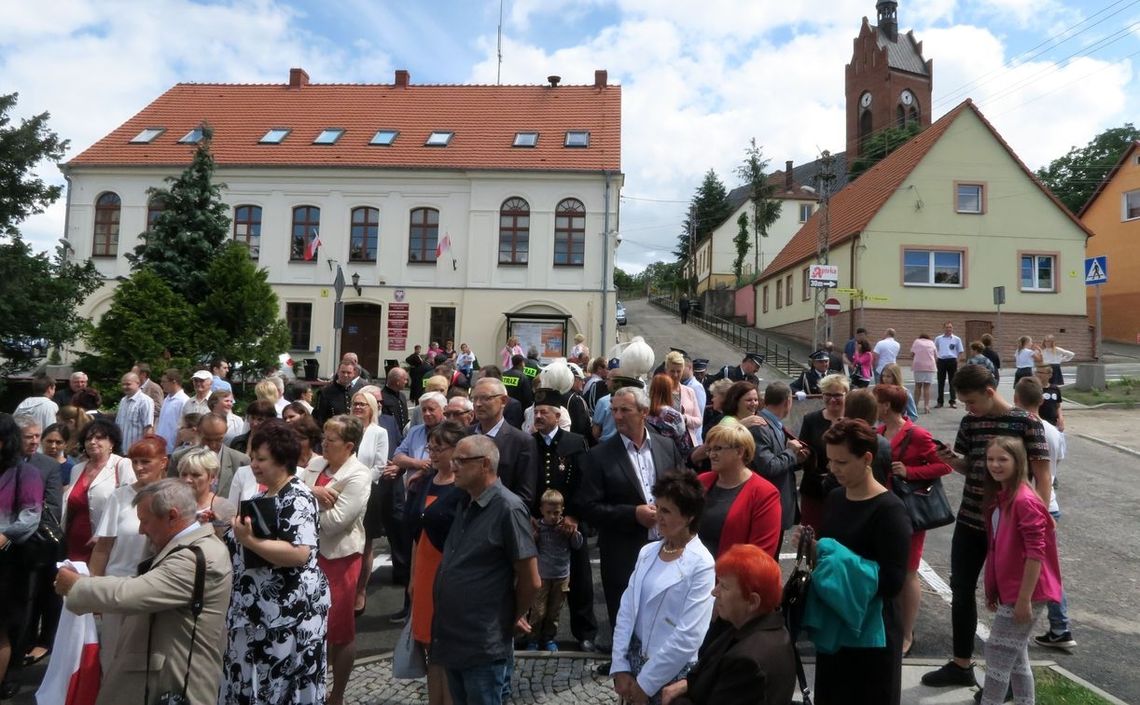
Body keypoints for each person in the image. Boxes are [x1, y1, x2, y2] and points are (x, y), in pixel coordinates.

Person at [921, 365, 1050, 690]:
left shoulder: (1027, 423)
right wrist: (951, 460)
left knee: (1010, 601)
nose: (967, 408)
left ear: (990, 391)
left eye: (971, 401)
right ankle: (961, 664)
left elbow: (1042, 474)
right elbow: (973, 465)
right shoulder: (970, 422)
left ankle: (1004, 680)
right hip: (971, 520)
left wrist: (1042, 521)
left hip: (1009, 528)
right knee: (961, 590)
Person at [54, 479, 232, 705]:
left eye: (145, 521)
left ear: (172, 516)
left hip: (175, 683)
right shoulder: (188, 548)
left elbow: (133, 593)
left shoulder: (196, 557)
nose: (140, 530)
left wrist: (77, 586)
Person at [220, 419, 331, 705]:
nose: (254, 465)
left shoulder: (298, 497)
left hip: (287, 613)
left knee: (281, 687)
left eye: (261, 459)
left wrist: (250, 541)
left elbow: (299, 552)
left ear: (282, 460)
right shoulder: (262, 496)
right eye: (253, 458)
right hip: (257, 612)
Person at [807, 418, 911, 705]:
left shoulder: (890, 510)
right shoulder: (836, 497)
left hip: (871, 634)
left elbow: (892, 582)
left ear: (866, 458)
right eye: (830, 460)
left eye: (841, 462)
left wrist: (836, 561)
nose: (832, 469)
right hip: (836, 626)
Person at [432, 435, 540, 705]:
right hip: (454, 635)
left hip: (483, 640)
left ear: (485, 465)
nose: (453, 465)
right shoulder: (467, 500)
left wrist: (511, 615)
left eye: (461, 460)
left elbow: (531, 579)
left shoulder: (508, 508)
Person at [579, 385, 687, 644]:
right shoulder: (599, 456)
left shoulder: (666, 446)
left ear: (644, 412)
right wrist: (632, 514)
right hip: (623, 551)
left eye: (624, 410)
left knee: (666, 611)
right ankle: (625, 668)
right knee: (625, 615)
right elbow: (588, 507)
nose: (616, 416)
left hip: (666, 547)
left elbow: (684, 491)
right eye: (613, 410)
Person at [610, 472, 715, 705]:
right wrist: (620, 666)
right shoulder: (647, 552)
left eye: (666, 511)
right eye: (657, 508)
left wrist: (645, 684)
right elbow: (627, 610)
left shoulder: (702, 564)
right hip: (633, 666)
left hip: (671, 674)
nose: (658, 517)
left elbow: (689, 635)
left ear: (689, 517)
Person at [979, 437, 1063, 705]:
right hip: (1014, 590)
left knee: (997, 657)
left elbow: (1035, 554)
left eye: (1003, 459)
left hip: (1026, 591)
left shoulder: (1024, 501)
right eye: (991, 459)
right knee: (1016, 657)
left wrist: (1024, 599)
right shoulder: (1004, 497)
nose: (995, 465)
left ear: (1019, 462)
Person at [660, 545, 795, 705]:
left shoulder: (747, 661)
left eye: (724, 586)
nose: (714, 592)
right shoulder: (768, 628)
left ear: (752, 601)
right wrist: (688, 685)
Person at [874, 384, 952, 657]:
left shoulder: (916, 433)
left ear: (886, 405)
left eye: (877, 400)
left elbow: (944, 464)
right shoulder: (880, 432)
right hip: (883, 510)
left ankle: (907, 634)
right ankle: (888, 625)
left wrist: (911, 471)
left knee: (908, 571)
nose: (874, 404)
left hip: (910, 512)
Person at [302, 415, 371, 705]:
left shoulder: (359, 474)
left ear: (349, 446)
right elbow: (295, 493)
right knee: (309, 624)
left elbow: (336, 523)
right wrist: (313, 492)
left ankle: (337, 694)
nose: (324, 444)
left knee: (338, 629)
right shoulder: (316, 464)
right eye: (324, 439)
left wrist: (305, 504)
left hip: (339, 557)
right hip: (307, 554)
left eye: (331, 440)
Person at [87, 436, 169, 671]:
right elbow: (103, 547)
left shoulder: (175, 495)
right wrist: (93, 588)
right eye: (135, 462)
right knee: (113, 655)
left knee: (151, 658)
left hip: (155, 588)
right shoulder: (120, 496)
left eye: (146, 461)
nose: (139, 467)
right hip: (118, 585)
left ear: (163, 462)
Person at [531, 388, 599, 650]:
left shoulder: (574, 442)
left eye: (543, 412)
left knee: (580, 578)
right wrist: (530, 517)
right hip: (538, 524)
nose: (538, 416)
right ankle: (534, 631)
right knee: (536, 580)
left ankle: (585, 633)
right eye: (536, 412)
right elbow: (525, 482)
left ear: (557, 416)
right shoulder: (529, 442)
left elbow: (585, 482)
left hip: (569, 521)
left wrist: (573, 515)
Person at [407, 422, 468, 705]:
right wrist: (412, 578)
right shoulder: (426, 481)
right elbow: (417, 534)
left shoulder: (464, 487)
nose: (432, 453)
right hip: (424, 569)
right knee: (429, 645)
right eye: (430, 447)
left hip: (448, 572)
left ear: (456, 450)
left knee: (449, 647)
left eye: (438, 448)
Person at [1012, 378, 1075, 652]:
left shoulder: (1020, 431)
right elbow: (1054, 467)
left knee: (1034, 568)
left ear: (1016, 399)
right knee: (1047, 566)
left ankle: (1059, 626)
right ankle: (1059, 626)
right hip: (1051, 503)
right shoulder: (1053, 432)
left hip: (1031, 504)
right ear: (1041, 401)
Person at [0, 413, 45, 698]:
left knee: (1, 626)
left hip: (9, 560)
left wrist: (5, 535)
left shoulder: (25, 473)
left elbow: (31, 516)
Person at [697, 421, 782, 558]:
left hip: (732, 577)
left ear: (739, 451)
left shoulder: (765, 493)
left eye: (718, 449)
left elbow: (760, 554)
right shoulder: (702, 481)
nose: (711, 455)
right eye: (710, 449)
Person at [63, 419, 137, 563]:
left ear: (112, 443)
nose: (92, 442)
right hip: (75, 541)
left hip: (107, 543)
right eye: (88, 438)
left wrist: (103, 534)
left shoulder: (122, 465)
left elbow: (130, 505)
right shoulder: (77, 469)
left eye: (99, 438)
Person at [749, 382, 806, 548]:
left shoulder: (773, 424)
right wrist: (791, 452)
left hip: (776, 504)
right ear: (788, 401)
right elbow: (769, 466)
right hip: (768, 505)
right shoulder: (761, 427)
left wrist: (796, 460)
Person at [527, 488, 584, 652]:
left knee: (554, 612)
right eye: (549, 512)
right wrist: (534, 538)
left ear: (562, 511)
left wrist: (573, 534)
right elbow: (529, 548)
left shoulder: (565, 528)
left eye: (556, 512)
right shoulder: (539, 527)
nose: (553, 517)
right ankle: (533, 638)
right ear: (542, 511)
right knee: (538, 610)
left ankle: (548, 637)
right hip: (542, 575)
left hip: (561, 576)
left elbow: (577, 545)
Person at [471, 377, 538, 508]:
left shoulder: (522, 442)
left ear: (503, 401)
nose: (478, 404)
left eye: (485, 398)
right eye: (474, 398)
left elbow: (525, 495)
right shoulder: (465, 436)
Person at [796, 373, 848, 532]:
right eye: (828, 395)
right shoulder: (811, 420)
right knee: (812, 536)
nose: (832, 399)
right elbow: (804, 450)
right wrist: (800, 456)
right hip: (814, 490)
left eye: (837, 395)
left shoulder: (853, 421)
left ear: (846, 394)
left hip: (845, 489)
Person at [172, 413, 250, 498]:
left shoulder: (240, 461)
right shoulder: (179, 458)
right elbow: (172, 494)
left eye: (218, 440)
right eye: (207, 439)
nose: (213, 445)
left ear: (225, 432)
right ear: (198, 432)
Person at [177, 447, 238, 535]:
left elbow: (228, 545)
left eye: (195, 475)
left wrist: (216, 527)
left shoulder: (225, 509)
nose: (187, 480)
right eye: (184, 474)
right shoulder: (172, 505)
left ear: (212, 478)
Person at [647, 374, 694, 460]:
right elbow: (684, 444)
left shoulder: (644, 412)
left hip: (650, 456)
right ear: (668, 391)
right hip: (670, 458)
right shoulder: (674, 415)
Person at [116, 371, 155, 451]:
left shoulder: (145, 401)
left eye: (128, 384)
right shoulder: (123, 401)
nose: (124, 387)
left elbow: (148, 428)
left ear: (138, 383)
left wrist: (144, 449)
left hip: (136, 451)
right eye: (123, 384)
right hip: (121, 450)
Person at [155, 368, 189, 455]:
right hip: (161, 447)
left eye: (164, 381)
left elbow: (182, 427)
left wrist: (175, 449)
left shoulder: (183, 401)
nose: (161, 384)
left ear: (173, 382)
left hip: (172, 449)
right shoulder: (167, 399)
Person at [14, 374, 58, 439]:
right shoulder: (50, 405)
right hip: (39, 445)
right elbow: (51, 429)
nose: (54, 392)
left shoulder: (23, 403)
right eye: (54, 389)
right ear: (49, 389)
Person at [935, 322, 965, 408]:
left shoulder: (956, 339)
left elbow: (960, 351)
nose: (949, 329)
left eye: (950, 327)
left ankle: (952, 401)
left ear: (952, 328)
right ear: (943, 328)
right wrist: (936, 358)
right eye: (947, 327)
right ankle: (940, 402)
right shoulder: (938, 339)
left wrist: (957, 361)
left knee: (953, 381)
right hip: (941, 361)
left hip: (952, 360)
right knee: (940, 381)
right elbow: (934, 349)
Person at [910, 333, 937, 414]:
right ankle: (926, 406)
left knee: (918, 386)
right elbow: (936, 355)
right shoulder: (932, 343)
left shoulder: (916, 342)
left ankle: (915, 405)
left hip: (918, 366)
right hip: (930, 366)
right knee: (927, 387)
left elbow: (912, 354)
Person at [1034, 363, 1065, 431]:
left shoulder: (1055, 389)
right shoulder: (1033, 389)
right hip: (1038, 424)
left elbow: (1058, 405)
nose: (1038, 374)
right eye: (1037, 372)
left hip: (1053, 424)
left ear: (1050, 375)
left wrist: (1061, 418)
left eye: (1041, 372)